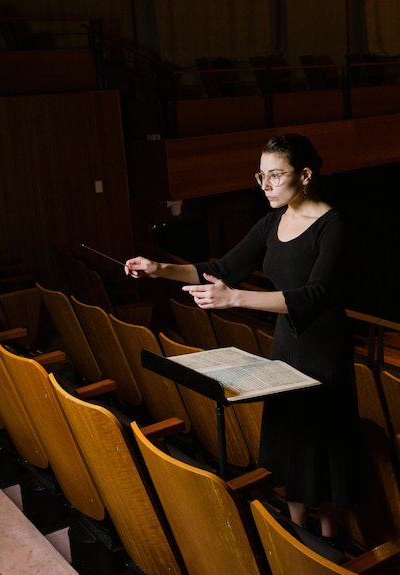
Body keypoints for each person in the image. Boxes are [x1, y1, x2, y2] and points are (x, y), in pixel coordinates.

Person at [124, 133, 363, 541]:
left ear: (304, 175)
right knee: (289, 441)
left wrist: (234, 298)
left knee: (318, 447)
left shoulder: (332, 225)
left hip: (324, 350)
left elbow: (315, 296)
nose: (266, 185)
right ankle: (294, 535)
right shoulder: (273, 221)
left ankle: (328, 544)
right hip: (286, 345)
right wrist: (158, 269)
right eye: (261, 176)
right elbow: (221, 267)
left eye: (275, 175)